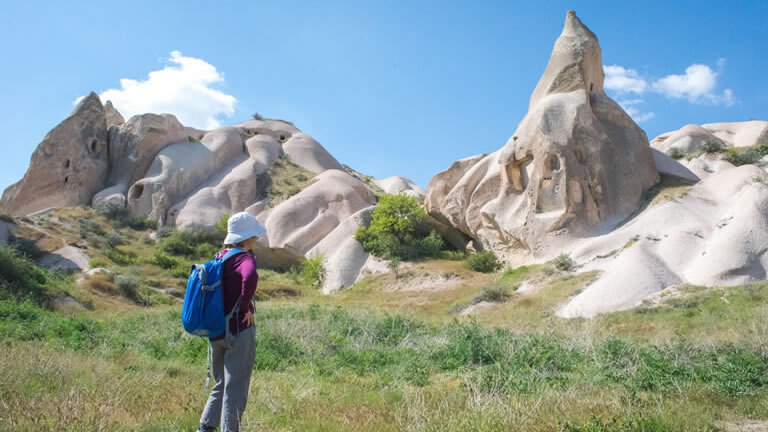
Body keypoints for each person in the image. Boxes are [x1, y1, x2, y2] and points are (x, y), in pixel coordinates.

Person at [197, 212, 263, 432]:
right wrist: (245, 308)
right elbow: (251, 276)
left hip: (216, 332)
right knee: (236, 387)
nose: (257, 240)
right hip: (238, 331)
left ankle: (205, 428)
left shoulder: (220, 257)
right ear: (248, 238)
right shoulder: (244, 259)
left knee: (221, 383)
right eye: (254, 236)